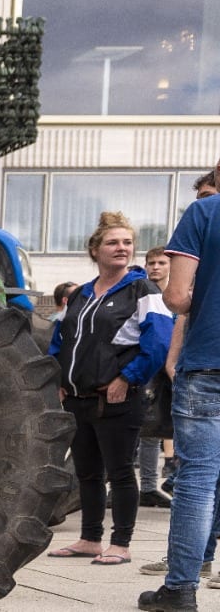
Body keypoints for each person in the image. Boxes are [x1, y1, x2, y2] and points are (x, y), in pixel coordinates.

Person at [49, 211, 172, 567]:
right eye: (113, 242)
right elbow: (60, 339)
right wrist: (57, 380)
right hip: (77, 398)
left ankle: (121, 543)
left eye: (128, 243)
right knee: (87, 473)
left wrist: (128, 378)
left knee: (120, 472)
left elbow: (158, 341)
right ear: (94, 249)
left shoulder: (142, 289)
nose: (122, 248)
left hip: (118, 398)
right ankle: (90, 539)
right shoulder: (81, 294)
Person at [142, 166, 220, 610]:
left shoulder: (204, 212)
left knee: (197, 482)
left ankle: (180, 591)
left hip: (209, 361)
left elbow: (175, 297)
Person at [142, 248, 176, 508]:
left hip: (172, 370)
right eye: (151, 263)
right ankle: (147, 485)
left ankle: (155, 484)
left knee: (161, 429)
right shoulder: (142, 293)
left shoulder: (176, 296)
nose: (155, 267)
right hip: (148, 370)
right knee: (144, 430)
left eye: (161, 263)